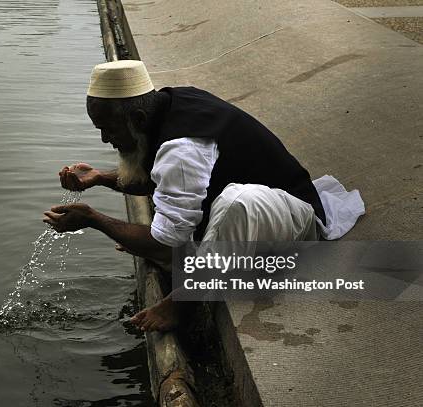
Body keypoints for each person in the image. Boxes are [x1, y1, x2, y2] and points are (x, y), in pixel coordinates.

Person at [43, 60, 364, 332]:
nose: (104, 139)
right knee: (198, 217)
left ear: (137, 120)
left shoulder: (180, 148)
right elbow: (162, 180)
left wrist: (94, 219)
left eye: (109, 129)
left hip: (295, 220)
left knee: (237, 203)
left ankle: (182, 304)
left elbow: (164, 239)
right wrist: (100, 178)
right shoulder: (166, 105)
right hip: (249, 217)